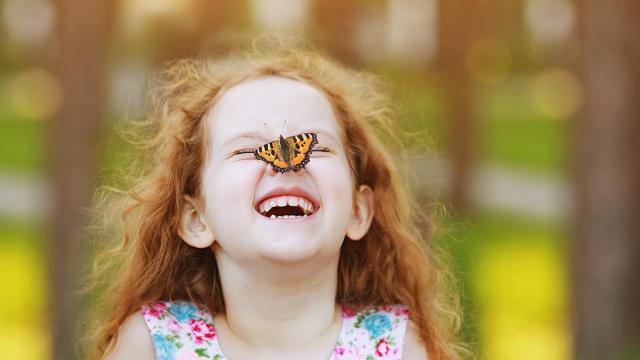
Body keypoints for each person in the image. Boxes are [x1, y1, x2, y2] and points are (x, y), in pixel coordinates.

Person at [81, 38, 462, 360]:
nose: (286, 166)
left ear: (358, 211)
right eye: (248, 152)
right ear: (197, 219)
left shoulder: (395, 347)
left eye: (313, 148)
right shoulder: (151, 343)